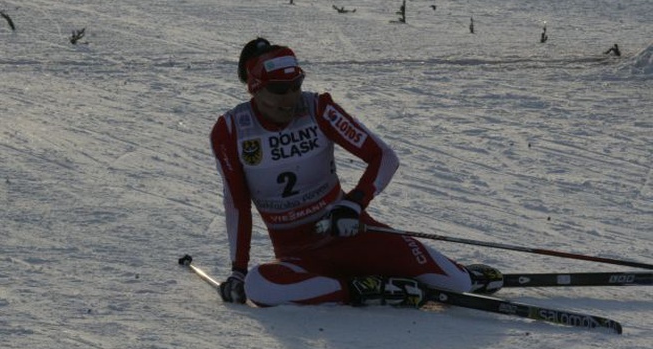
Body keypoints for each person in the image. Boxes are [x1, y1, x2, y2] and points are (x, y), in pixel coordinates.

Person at [210, 37, 503, 307]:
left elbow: (384, 157)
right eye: (278, 90)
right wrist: (238, 270)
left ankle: (457, 274)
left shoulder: (318, 109)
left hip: (351, 234)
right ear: (255, 87)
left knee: (459, 285)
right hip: (298, 254)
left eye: (295, 85)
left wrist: (354, 203)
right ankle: (359, 288)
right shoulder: (232, 130)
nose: (290, 98)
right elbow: (237, 204)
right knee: (259, 287)